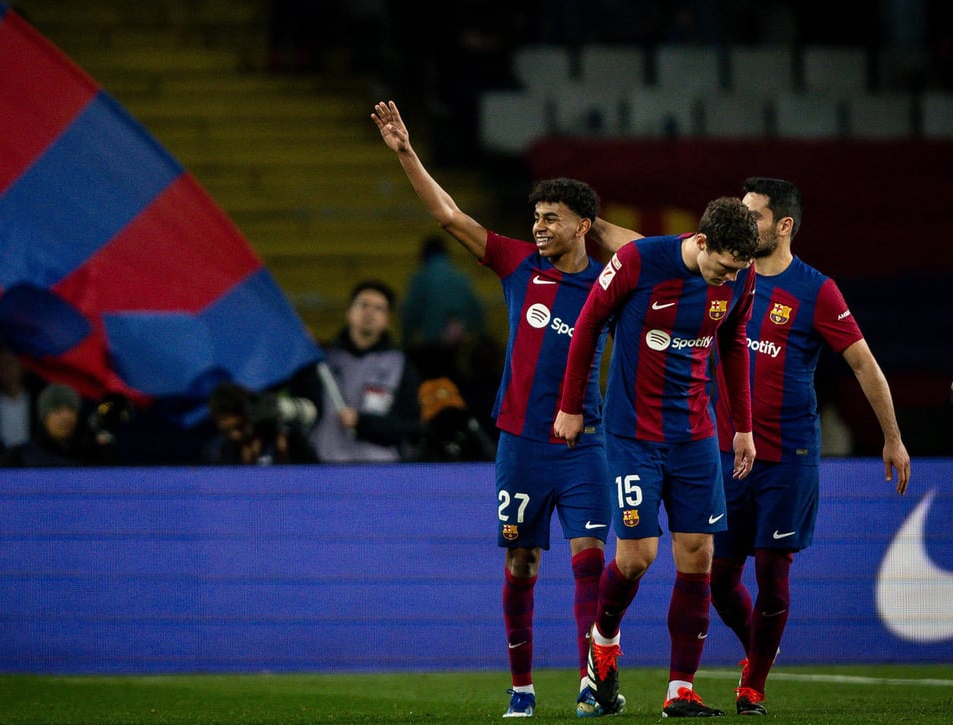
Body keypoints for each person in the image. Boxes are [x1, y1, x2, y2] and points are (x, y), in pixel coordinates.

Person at [374, 99, 641, 718]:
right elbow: (448, 216)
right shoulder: (518, 263)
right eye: (537, 216)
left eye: (553, 218)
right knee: (522, 560)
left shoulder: (610, 279)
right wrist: (407, 152)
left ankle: (588, 682)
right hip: (520, 441)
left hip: (584, 444)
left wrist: (602, 232)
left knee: (590, 561)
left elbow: (650, 252)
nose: (540, 226)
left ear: (583, 225)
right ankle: (521, 687)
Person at [709, 177, 911, 716]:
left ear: (783, 226)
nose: (743, 221)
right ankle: (759, 649)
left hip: (788, 456)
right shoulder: (724, 274)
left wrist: (891, 437)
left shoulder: (817, 290)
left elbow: (864, 363)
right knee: (718, 581)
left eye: (753, 214)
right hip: (726, 456)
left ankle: (754, 682)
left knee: (772, 572)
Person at [554, 196, 762, 718]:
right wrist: (571, 406)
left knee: (699, 556)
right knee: (637, 556)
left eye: (738, 271)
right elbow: (587, 327)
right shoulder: (641, 261)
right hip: (634, 434)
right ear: (701, 241)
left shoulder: (741, 276)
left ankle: (680, 691)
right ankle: (602, 641)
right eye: (724, 267)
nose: (728, 279)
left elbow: (734, 342)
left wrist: (744, 427)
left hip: (695, 434)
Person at [304, 279, 422, 463]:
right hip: (326, 467)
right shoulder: (321, 361)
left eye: (378, 308)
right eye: (363, 305)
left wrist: (363, 423)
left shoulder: (401, 365)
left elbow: (409, 426)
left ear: (387, 320)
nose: (370, 312)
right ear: (349, 313)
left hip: (380, 471)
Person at [201, 382, 319, 465]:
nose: (234, 435)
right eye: (226, 431)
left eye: (239, 427)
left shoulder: (283, 439)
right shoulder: (216, 452)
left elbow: (317, 476)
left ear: (248, 416)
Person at [5, 382, 114, 467]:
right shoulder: (21, 458)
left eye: (71, 409)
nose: (66, 416)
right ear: (44, 417)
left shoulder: (93, 454)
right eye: (57, 410)